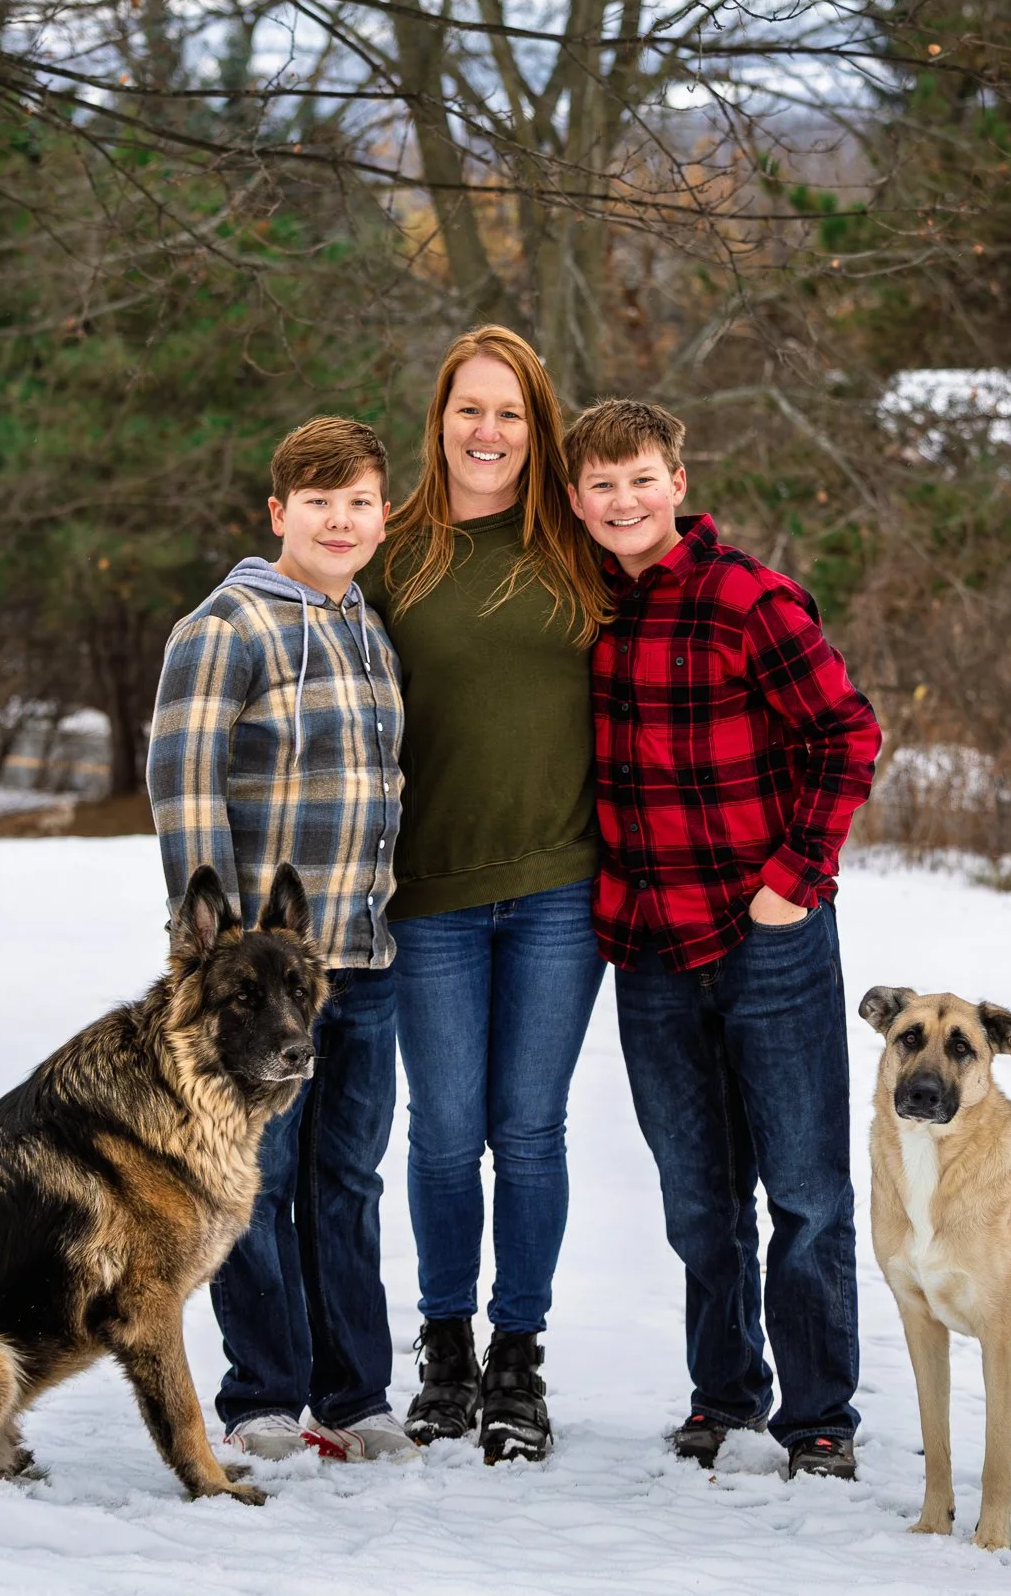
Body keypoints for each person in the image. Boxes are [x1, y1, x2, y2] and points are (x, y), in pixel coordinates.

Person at [561, 398, 883, 1481]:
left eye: (640, 477)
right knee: (699, 1198)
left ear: (677, 481)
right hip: (649, 942)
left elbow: (847, 730)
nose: (623, 500)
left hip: (768, 935)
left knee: (802, 1190)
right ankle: (724, 1391)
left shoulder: (745, 596)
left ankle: (820, 1414)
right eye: (601, 485)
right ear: (575, 499)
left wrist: (796, 877)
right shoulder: (580, 610)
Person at [145, 417, 413, 1464]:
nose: (339, 522)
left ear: (381, 515)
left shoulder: (367, 625)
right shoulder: (227, 625)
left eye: (358, 504)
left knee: (347, 1178)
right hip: (263, 981)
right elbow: (183, 782)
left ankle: (353, 1393)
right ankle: (263, 1391)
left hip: (362, 957)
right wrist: (215, 955)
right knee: (261, 1179)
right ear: (279, 514)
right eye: (318, 503)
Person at [372, 326, 612, 1463]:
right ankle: (445, 1349)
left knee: (529, 1132)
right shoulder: (397, 550)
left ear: (538, 425)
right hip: (428, 896)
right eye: (469, 408)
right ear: (439, 420)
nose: (488, 431)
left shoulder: (578, 547)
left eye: (510, 412)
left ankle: (517, 1360)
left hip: (564, 889)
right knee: (442, 1133)